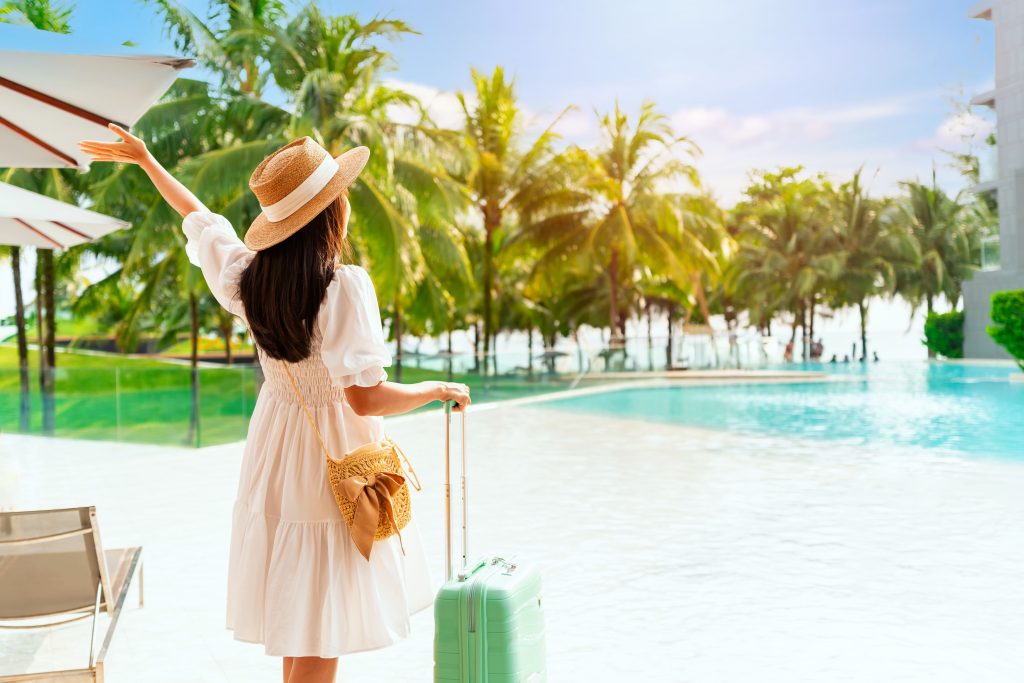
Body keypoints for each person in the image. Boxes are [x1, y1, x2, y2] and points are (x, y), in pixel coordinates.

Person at [79, 126, 471, 683]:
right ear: (328, 214)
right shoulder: (343, 286)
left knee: (301, 619)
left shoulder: (248, 279)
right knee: (323, 620)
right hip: (332, 456)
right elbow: (363, 398)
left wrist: (147, 160)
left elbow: (201, 221)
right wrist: (435, 390)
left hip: (276, 446)